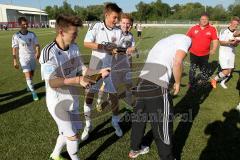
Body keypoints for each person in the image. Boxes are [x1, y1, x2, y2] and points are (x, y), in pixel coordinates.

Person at [39, 14, 110, 160]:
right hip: (57, 102)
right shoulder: (48, 52)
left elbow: (82, 69)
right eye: (73, 33)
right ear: (61, 32)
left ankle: (55, 155)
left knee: (68, 132)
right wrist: (78, 79)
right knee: (72, 136)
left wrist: (98, 72)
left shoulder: (74, 47)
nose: (76, 36)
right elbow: (52, 82)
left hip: (72, 99)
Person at [129, 34, 192, 160]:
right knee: (163, 122)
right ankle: (166, 157)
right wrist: (178, 82)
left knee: (139, 118)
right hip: (157, 84)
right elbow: (177, 62)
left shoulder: (163, 41)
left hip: (142, 81)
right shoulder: (186, 39)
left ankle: (135, 149)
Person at [81, 3, 123, 141]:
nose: (116, 20)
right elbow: (86, 43)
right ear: (106, 15)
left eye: (118, 18)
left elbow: (116, 49)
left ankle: (115, 122)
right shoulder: (96, 26)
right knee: (89, 95)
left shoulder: (118, 31)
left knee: (113, 96)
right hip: (95, 66)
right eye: (114, 17)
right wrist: (104, 47)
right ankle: (88, 125)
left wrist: (118, 51)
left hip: (110, 68)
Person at [186, 13, 218, 88]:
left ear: (208, 20)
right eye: (202, 19)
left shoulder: (212, 29)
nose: (204, 21)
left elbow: (215, 40)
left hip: (205, 54)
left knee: (204, 69)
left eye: (205, 19)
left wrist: (213, 49)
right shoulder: (193, 28)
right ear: (200, 20)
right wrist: (185, 49)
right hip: (193, 53)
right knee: (192, 69)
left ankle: (203, 81)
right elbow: (186, 38)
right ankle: (191, 82)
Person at [12, 17, 40, 101]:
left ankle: (29, 86)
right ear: (19, 24)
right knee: (28, 75)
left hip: (32, 57)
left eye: (26, 24)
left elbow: (37, 44)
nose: (26, 25)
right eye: (23, 24)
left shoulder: (32, 34)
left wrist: (37, 52)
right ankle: (33, 92)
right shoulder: (16, 36)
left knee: (31, 74)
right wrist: (15, 61)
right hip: (23, 58)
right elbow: (14, 48)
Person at [211, 16, 240, 89]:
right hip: (224, 53)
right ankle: (214, 80)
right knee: (226, 71)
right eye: (234, 24)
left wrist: (235, 43)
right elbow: (221, 42)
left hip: (231, 53)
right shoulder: (224, 30)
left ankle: (222, 82)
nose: (235, 25)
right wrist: (229, 42)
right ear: (230, 23)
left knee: (230, 70)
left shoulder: (237, 33)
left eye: (237, 24)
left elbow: (236, 45)